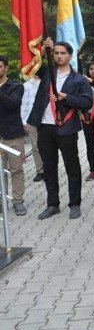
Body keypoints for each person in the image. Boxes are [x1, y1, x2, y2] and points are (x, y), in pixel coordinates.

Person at [28, 39, 93, 220]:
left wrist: (66, 97)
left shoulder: (79, 79)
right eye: (55, 53)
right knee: (49, 168)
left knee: (72, 168)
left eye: (62, 53)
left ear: (70, 56)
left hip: (66, 128)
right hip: (45, 128)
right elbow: (32, 66)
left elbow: (87, 102)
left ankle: (74, 204)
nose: (58, 56)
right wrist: (43, 49)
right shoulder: (47, 72)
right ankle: (52, 204)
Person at [0, 55, 27, 216]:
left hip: (12, 135)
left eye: (0, 66)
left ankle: (18, 201)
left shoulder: (16, 86)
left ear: (6, 68)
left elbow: (13, 104)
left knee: (16, 169)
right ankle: (2, 201)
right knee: (0, 171)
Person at [21, 74, 44, 182]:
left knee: (49, 147)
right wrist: (24, 121)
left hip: (47, 120)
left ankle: (50, 168)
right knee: (36, 146)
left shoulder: (47, 82)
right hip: (32, 120)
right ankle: (40, 171)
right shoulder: (26, 85)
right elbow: (23, 104)